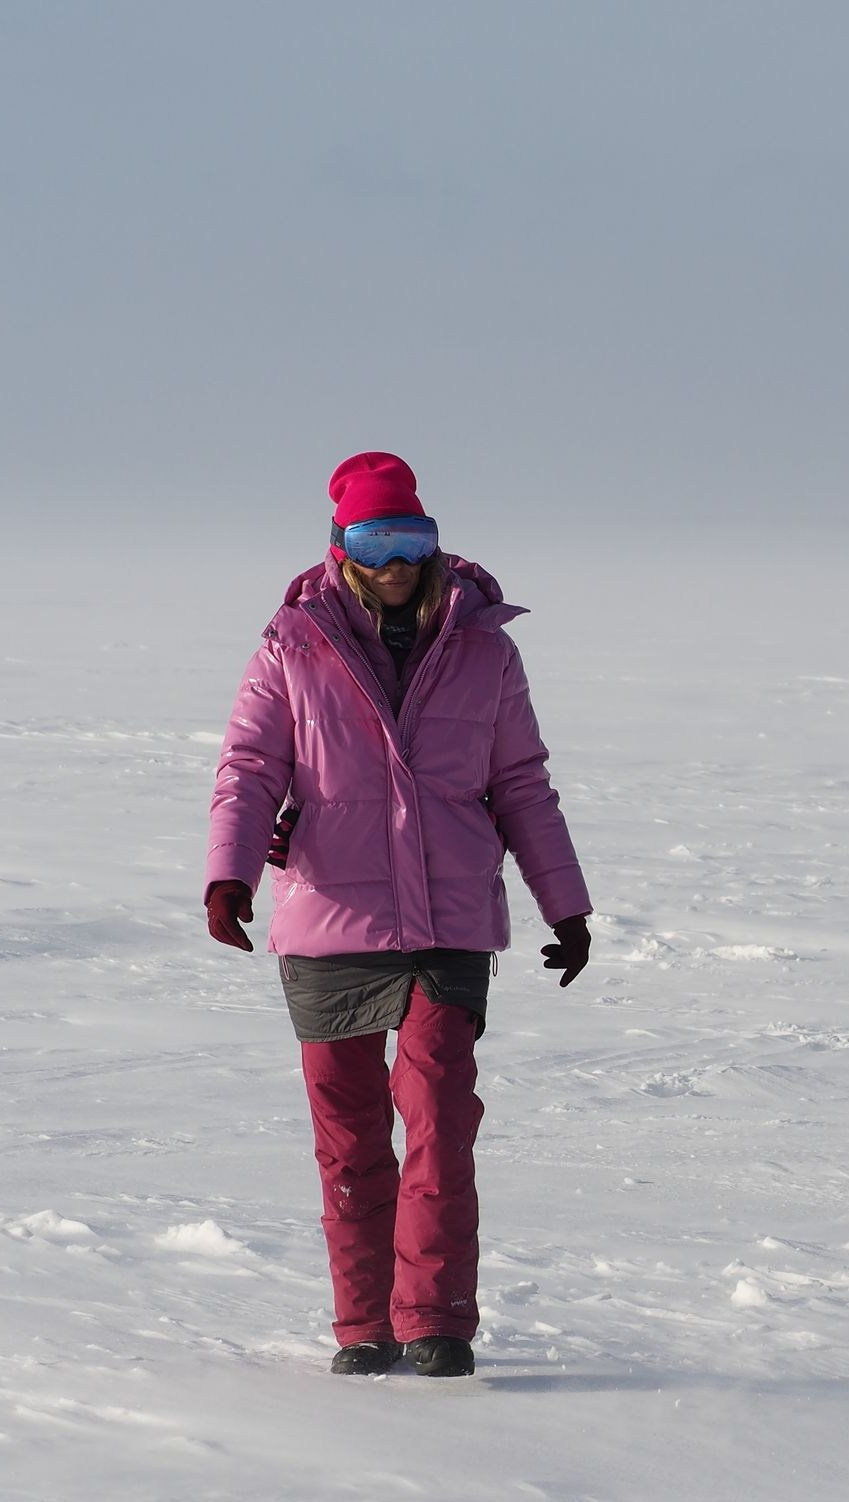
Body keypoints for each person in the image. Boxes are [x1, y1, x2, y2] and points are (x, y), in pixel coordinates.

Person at [204, 452, 593, 1377]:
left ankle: (436, 1320)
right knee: (348, 1141)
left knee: (440, 1118)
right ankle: (363, 1327)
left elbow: (521, 783)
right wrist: (229, 877)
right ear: (343, 548)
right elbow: (251, 770)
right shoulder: (290, 649)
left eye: (412, 538)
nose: (397, 560)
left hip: (449, 918)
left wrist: (565, 905)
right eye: (377, 540)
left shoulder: (486, 651)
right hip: (328, 916)